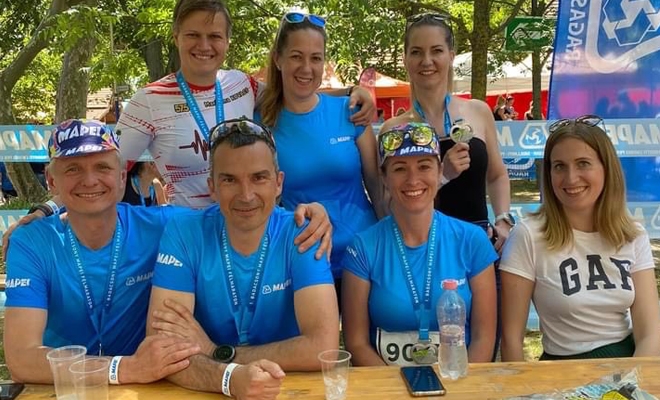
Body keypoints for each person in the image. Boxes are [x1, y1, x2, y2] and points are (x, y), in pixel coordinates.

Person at [115, 0, 375, 209]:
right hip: (190, 238)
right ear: (176, 36)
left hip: (247, 232)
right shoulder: (148, 101)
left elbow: (294, 91)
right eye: (193, 34)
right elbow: (110, 172)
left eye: (214, 36)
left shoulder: (241, 85)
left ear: (227, 41)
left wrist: (351, 90)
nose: (204, 45)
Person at [146, 118, 338, 397]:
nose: (246, 195)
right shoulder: (184, 232)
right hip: (207, 392)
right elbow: (162, 350)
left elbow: (323, 348)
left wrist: (216, 352)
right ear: (212, 187)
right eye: (230, 180)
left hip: (287, 389)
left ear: (278, 183)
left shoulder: (302, 232)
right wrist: (231, 380)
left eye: (259, 178)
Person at [3, 120, 201, 384]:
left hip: (145, 389)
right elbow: (22, 359)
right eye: (73, 169)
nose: (89, 180)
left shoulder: (162, 225)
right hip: (69, 390)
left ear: (121, 178)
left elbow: (232, 211)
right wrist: (126, 368)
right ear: (52, 181)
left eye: (102, 167)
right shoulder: (32, 241)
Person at [500, 115, 660, 361]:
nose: (571, 178)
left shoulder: (632, 234)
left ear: (606, 168)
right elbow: (511, 340)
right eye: (559, 166)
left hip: (627, 362)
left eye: (583, 163)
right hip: (563, 368)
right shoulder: (528, 235)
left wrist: (633, 379)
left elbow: (650, 332)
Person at [342, 122, 497, 366]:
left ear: (439, 171)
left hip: (459, 380)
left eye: (424, 166)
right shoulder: (362, 247)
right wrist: (398, 386)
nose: (413, 180)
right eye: (399, 169)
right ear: (384, 177)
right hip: (387, 383)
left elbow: (483, 338)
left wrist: (461, 386)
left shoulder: (472, 240)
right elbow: (357, 343)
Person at [256, 11, 383, 293]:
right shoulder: (262, 123)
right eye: (296, 56)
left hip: (365, 256)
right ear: (278, 59)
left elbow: (377, 186)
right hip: (306, 260)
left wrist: (394, 245)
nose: (306, 67)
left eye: (316, 58)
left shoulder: (351, 111)